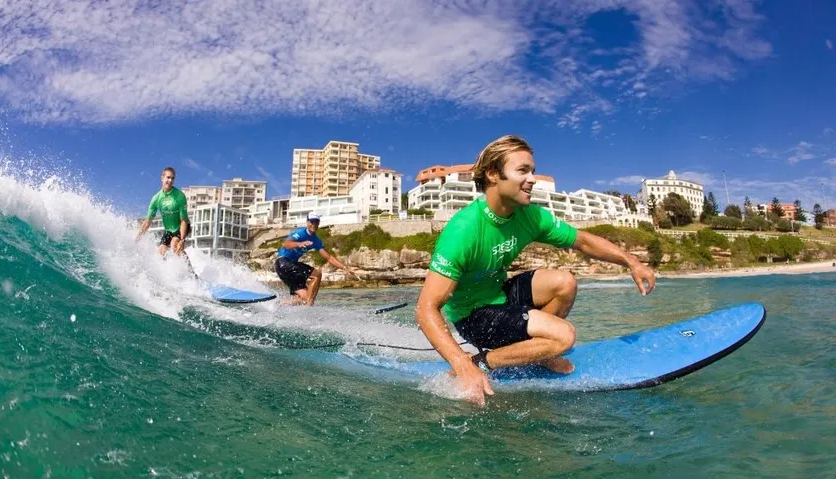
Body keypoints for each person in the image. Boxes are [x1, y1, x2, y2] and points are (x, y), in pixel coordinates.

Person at [416, 135, 656, 406]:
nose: (533, 179)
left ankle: (539, 352)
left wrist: (631, 262)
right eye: (522, 171)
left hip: (499, 294)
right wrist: (461, 364)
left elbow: (584, 241)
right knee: (564, 335)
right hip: (473, 316)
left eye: (532, 170)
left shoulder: (529, 216)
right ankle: (481, 361)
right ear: (494, 174)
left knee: (564, 282)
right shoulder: (463, 230)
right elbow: (426, 308)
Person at [274, 212, 358, 305]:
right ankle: (309, 307)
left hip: (287, 269)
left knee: (305, 298)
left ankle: (279, 303)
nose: (314, 224)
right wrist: (299, 244)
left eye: (316, 222)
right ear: (307, 222)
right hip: (283, 262)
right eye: (312, 222)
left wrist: (344, 267)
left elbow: (329, 257)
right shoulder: (300, 233)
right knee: (317, 275)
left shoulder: (316, 240)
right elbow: (285, 244)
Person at [135, 167, 194, 271]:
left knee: (174, 245)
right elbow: (148, 221)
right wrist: (138, 237)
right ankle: (168, 275)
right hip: (169, 230)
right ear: (162, 178)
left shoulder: (179, 196)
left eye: (172, 178)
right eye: (168, 177)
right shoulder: (156, 199)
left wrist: (182, 239)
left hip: (182, 226)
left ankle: (191, 273)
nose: (170, 180)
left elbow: (184, 220)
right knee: (161, 251)